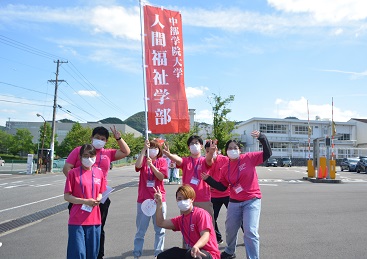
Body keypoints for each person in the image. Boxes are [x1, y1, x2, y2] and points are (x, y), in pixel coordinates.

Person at [63, 126, 130, 259]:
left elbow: (126, 151)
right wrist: (80, 183)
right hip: (80, 197)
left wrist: (119, 138)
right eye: (97, 138)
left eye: (103, 139)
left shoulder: (108, 153)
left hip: (101, 197)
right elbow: (67, 168)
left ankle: (98, 255)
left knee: (98, 229)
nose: (99, 140)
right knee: (78, 229)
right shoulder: (79, 151)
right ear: (91, 138)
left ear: (106, 141)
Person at [202, 130, 272, 259]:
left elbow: (268, 153)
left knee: (250, 231)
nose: (232, 150)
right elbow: (222, 187)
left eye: (235, 148)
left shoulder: (249, 158)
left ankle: (252, 257)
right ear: (226, 151)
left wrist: (262, 138)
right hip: (234, 201)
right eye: (229, 148)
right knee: (230, 229)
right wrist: (209, 180)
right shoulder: (225, 167)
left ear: (240, 150)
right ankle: (229, 251)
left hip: (252, 200)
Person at [154, 185, 221, 259]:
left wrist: (196, 246)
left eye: (185, 198)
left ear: (192, 199)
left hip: (209, 254)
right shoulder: (180, 220)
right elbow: (160, 223)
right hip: (191, 251)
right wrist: (159, 203)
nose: (182, 201)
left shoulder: (201, 214)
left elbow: (205, 235)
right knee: (163, 256)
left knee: (193, 256)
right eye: (179, 199)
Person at [64, 144, 106, 259]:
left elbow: (101, 192)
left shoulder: (99, 173)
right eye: (85, 156)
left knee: (92, 254)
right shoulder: (73, 173)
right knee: (77, 253)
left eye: (91, 156)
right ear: (80, 156)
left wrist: (98, 198)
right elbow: (67, 196)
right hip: (77, 219)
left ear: (95, 156)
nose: (89, 159)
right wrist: (85, 201)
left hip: (94, 219)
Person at [162, 135, 214, 220]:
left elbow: (209, 160)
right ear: (188, 147)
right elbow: (178, 160)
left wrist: (211, 152)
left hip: (203, 199)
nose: (194, 145)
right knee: (187, 226)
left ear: (201, 146)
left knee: (206, 226)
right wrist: (169, 155)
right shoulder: (186, 161)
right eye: (192, 143)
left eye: (196, 143)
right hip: (187, 199)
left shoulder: (204, 161)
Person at [133, 139, 168, 259]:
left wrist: (151, 165)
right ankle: (137, 254)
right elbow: (137, 166)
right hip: (143, 200)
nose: (153, 150)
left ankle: (158, 254)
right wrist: (143, 150)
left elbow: (161, 176)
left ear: (159, 150)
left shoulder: (162, 161)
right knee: (140, 231)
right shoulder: (143, 160)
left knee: (160, 230)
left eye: (155, 148)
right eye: (150, 147)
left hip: (158, 200)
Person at [204, 141, 229, 245]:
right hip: (214, 195)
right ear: (205, 151)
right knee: (212, 218)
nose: (212, 151)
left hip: (228, 194)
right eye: (209, 150)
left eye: (214, 149)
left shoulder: (225, 160)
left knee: (237, 217)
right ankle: (218, 238)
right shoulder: (205, 162)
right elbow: (203, 176)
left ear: (217, 150)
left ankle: (247, 235)